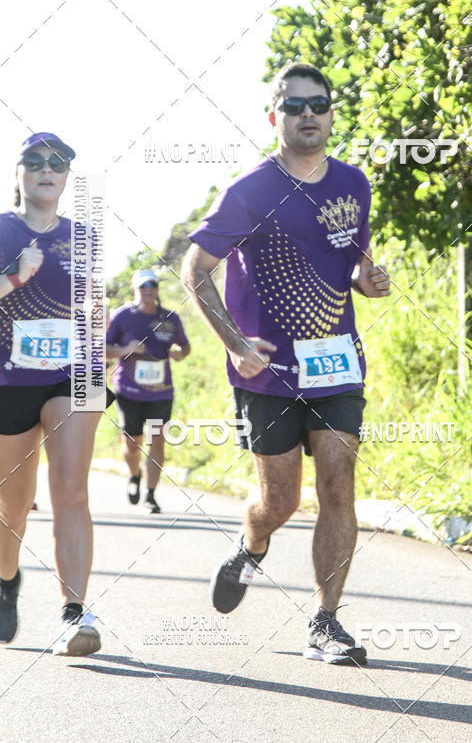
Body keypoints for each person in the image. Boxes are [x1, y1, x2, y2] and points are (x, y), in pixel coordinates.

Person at [182, 62, 389, 666]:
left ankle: (325, 623)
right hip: (267, 371)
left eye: (318, 104)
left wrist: (366, 279)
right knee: (279, 501)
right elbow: (196, 271)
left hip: (336, 365)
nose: (307, 114)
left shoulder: (353, 184)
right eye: (294, 105)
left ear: (330, 114)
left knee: (338, 485)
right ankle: (251, 546)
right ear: (274, 116)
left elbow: (351, 262)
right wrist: (234, 345)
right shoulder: (250, 191)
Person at [0, 132, 110, 656]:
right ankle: (5, 581)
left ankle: (74, 613)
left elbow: (93, 311)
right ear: (18, 172)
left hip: (71, 375)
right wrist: (14, 279)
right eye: (36, 161)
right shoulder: (1, 230)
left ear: (67, 176)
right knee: (12, 507)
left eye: (58, 162)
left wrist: (100, 346)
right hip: (7, 378)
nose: (48, 169)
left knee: (70, 487)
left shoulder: (84, 237)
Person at [106, 269, 190, 513]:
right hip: (129, 390)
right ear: (135, 289)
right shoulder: (123, 316)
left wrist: (180, 353)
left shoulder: (170, 318)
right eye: (142, 285)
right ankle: (134, 476)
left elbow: (185, 346)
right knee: (132, 443)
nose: (147, 290)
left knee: (157, 441)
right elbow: (103, 348)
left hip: (160, 392)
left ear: (157, 289)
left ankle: (151, 495)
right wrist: (126, 348)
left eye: (152, 285)